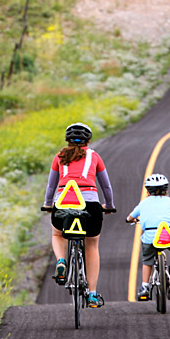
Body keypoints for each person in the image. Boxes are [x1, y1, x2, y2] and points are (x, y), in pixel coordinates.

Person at [43, 122, 115, 308]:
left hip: (64, 203)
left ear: (67, 140)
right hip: (90, 206)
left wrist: (48, 204)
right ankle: (92, 294)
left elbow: (51, 186)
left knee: (58, 234)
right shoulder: (95, 156)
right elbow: (106, 186)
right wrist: (109, 205)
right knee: (92, 244)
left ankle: (61, 261)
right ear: (88, 141)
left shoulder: (59, 156)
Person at [126, 173, 170, 301]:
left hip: (150, 237)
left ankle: (145, 287)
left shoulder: (143, 203)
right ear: (166, 189)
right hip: (167, 235)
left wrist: (130, 220)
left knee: (147, 260)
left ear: (147, 191)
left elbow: (130, 217)